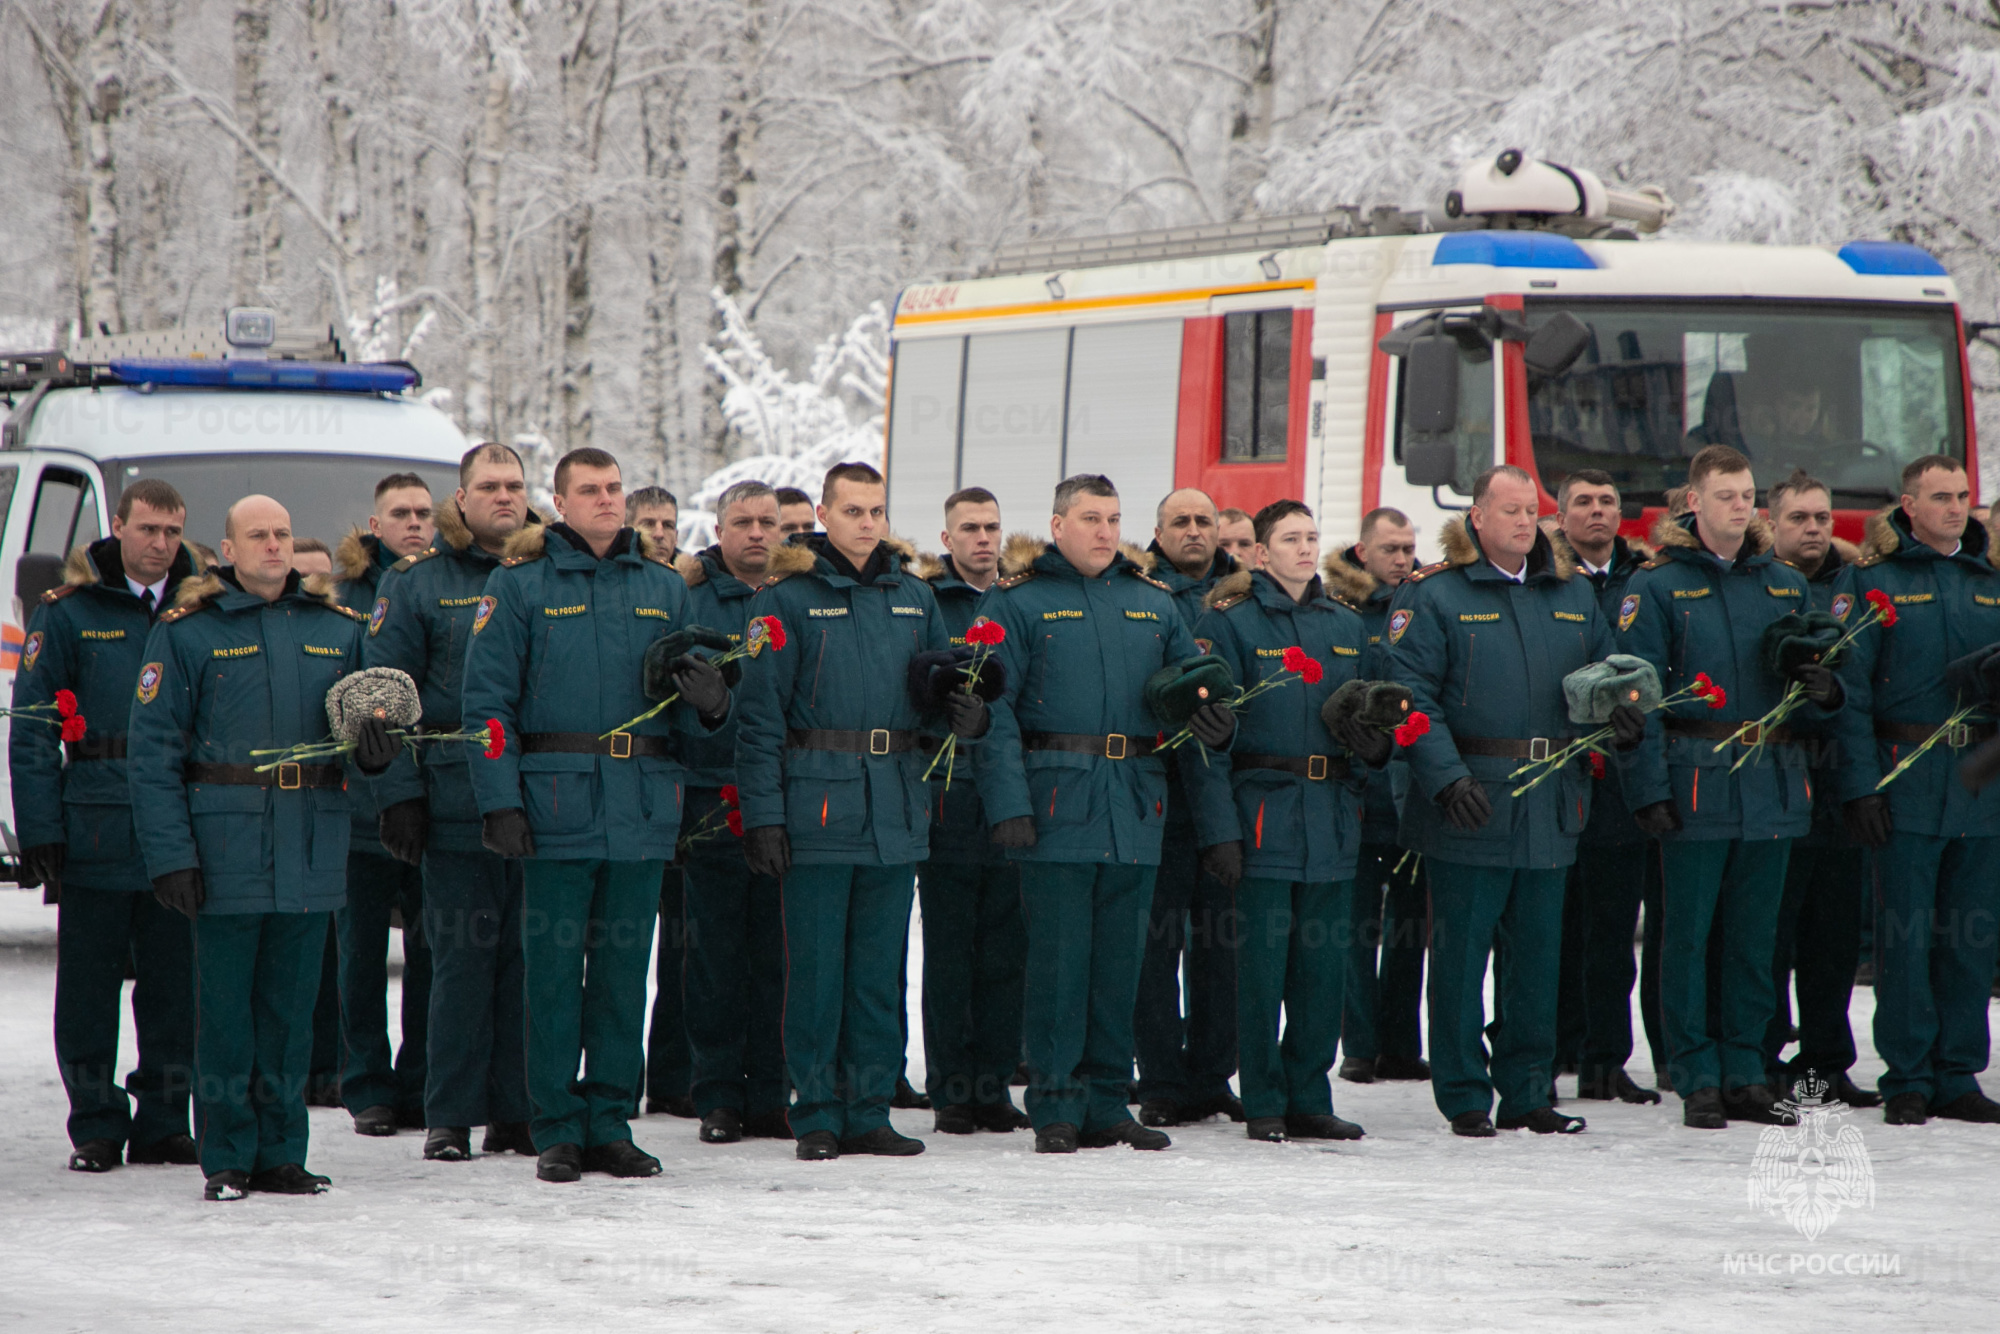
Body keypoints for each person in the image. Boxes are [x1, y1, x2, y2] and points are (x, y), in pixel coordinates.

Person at [462, 446, 731, 1183]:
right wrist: (500, 801)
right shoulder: (518, 586)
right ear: (561, 501)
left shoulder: (663, 586)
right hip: (554, 803)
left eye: (615, 488)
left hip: (641, 804)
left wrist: (713, 707)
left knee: (621, 972)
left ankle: (610, 1121)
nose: (609, 501)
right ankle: (555, 1125)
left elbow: (685, 697)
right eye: (591, 490)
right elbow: (486, 707)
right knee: (551, 974)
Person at [127, 494, 398, 1200]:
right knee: (223, 1013)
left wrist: (375, 753)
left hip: (310, 840)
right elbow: (154, 756)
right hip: (224, 846)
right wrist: (171, 857)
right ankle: (226, 1156)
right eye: (258, 535)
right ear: (227, 549)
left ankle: (282, 1152)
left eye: (281, 533)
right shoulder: (187, 634)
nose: (274, 546)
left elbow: (364, 726)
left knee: (289, 1009)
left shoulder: (336, 629)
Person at [975, 473, 1237, 1154]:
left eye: (1114, 518)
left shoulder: (1153, 604)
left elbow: (1194, 684)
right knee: (1060, 964)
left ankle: (1107, 1101)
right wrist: (1008, 803)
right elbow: (993, 712)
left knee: (1123, 964)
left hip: (1135, 803)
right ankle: (1056, 1103)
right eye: (1090, 518)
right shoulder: (1022, 603)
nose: (1104, 531)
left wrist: (1215, 717)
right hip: (1057, 801)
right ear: (1057, 525)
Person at [735, 462, 973, 1161]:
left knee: (879, 970)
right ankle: (815, 1114)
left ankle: (869, 1109)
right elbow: (758, 721)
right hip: (816, 805)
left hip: (895, 804)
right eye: (853, 511)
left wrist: (963, 711)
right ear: (823, 517)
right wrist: (765, 816)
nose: (867, 523)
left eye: (877, 511)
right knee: (815, 971)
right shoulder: (787, 599)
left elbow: (931, 698)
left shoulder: (914, 596)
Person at [1385, 465, 1628, 1137]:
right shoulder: (1435, 596)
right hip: (1473, 800)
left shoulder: (1573, 594)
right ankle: (1464, 1093)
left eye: (1532, 511)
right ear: (1478, 519)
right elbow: (1413, 698)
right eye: (1511, 511)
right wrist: (1446, 779)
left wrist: (1623, 715)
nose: (1525, 522)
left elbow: (1606, 678)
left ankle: (1526, 1089)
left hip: (1550, 800)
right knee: (1462, 957)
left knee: (1538, 956)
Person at [1621, 445, 1834, 1129]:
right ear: (1694, 502)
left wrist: (1822, 692)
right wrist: (1646, 788)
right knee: (1686, 936)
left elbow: (1807, 688)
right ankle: (1696, 1073)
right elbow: (1637, 698)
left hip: (1772, 783)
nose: (1740, 505)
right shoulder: (1656, 587)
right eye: (1726, 494)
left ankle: (1746, 1067)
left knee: (1754, 938)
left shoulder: (1784, 584)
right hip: (1695, 782)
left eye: (1747, 494)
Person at [12, 479, 202, 1173]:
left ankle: (163, 1121)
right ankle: (95, 1122)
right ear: (117, 526)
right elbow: (33, 730)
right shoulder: (70, 613)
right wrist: (40, 829)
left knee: (175, 987)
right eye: (148, 529)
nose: (160, 545)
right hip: (95, 823)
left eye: (172, 532)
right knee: (89, 989)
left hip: (179, 829)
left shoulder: (200, 608)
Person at [364, 442, 539, 1161]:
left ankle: (519, 1110)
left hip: (539, 796)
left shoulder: (547, 573)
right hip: (453, 795)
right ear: (460, 501)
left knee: (532, 960)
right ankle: (450, 1113)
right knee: (459, 960)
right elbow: (381, 695)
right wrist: (399, 794)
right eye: (489, 486)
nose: (504, 497)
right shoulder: (419, 583)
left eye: (515, 486)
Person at [1187, 500, 1377, 1142]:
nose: (1303, 548)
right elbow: (1207, 742)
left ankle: (1309, 1097)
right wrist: (1220, 831)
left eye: (1311, 537)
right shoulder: (1231, 625)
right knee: (1261, 970)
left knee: (1322, 971)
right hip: (1262, 813)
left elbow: (1377, 715)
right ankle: (1264, 1098)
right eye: (1289, 538)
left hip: (1331, 816)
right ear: (1260, 553)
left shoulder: (1347, 625)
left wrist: (1377, 750)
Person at [1831, 455, 2000, 1126]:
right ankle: (1907, 1074)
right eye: (1940, 497)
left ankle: (1957, 1072)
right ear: (1908, 505)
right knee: (1903, 936)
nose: (1956, 508)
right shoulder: (1873, 583)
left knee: (1971, 936)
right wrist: (1860, 787)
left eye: (1963, 496)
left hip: (1980, 784)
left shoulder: (1990, 583)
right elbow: (1847, 695)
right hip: (1905, 776)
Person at [671, 480, 790, 1145]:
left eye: (767, 522)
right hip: (712, 798)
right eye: (741, 522)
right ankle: (715, 1094)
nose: (755, 533)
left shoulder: (798, 599)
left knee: (779, 954)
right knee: (714, 957)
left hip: (784, 798)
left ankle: (772, 1093)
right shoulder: (688, 601)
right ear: (718, 532)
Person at [1548, 470, 1666, 1105]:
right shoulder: (1547, 578)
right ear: (1561, 517)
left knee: (1613, 931)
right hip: (1557, 773)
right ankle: (1545, 1048)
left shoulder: (1643, 581)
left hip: (1622, 778)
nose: (1597, 512)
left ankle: (1603, 1059)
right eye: (1583, 502)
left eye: (1608, 501)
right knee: (1547, 928)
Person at [916, 487, 1031, 1135]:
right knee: (951, 952)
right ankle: (951, 1089)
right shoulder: (930, 602)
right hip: (949, 799)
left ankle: (994, 1084)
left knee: (1005, 953)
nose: (983, 539)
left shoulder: (1019, 602)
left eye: (991, 526)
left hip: (1011, 800)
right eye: (969, 528)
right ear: (947, 538)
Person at [1763, 470, 1877, 1110]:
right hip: (1773, 786)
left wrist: (1861, 788)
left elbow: (1862, 694)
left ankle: (1827, 1062)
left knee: (1832, 940)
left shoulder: (1855, 588)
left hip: (1835, 787)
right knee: (1770, 936)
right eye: (1799, 518)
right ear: (1772, 525)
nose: (1812, 528)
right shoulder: (1758, 585)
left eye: (1822, 518)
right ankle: (1766, 1056)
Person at [332, 473, 438, 1137]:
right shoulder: (345, 601)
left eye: (425, 512)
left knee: (434, 953)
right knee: (360, 956)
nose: (415, 524)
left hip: (430, 801)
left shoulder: (448, 589)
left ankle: (421, 1079)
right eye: (400, 513)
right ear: (374, 526)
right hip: (359, 809)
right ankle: (366, 1084)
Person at [1134, 487, 1243, 1127]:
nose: (1195, 531)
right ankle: (1162, 1079)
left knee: (1221, 949)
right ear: (1159, 531)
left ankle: (1211, 1076)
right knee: (1156, 948)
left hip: (1228, 798)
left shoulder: (1246, 593)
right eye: (1181, 521)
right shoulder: (1142, 593)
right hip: (1161, 794)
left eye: (1205, 520)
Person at [1322, 507, 1428, 1085]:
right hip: (1361, 794)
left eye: (1409, 548)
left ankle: (1401, 1046)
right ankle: (1359, 1044)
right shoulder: (1340, 613)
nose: (1402, 559)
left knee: (1409, 932)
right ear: (1362, 552)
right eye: (1390, 548)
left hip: (1409, 796)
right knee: (1356, 930)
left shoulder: (1422, 607)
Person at [624, 485, 691, 1113]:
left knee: (682, 952)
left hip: (670, 793)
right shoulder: (642, 586)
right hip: (625, 794)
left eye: (669, 523)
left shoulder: (677, 589)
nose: (661, 532)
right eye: (649, 522)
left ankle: (673, 1080)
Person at [626, 486, 680, 564]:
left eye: (668, 525)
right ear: (628, 532)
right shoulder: (608, 574)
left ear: (676, 537)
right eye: (648, 525)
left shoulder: (689, 575)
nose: (659, 534)